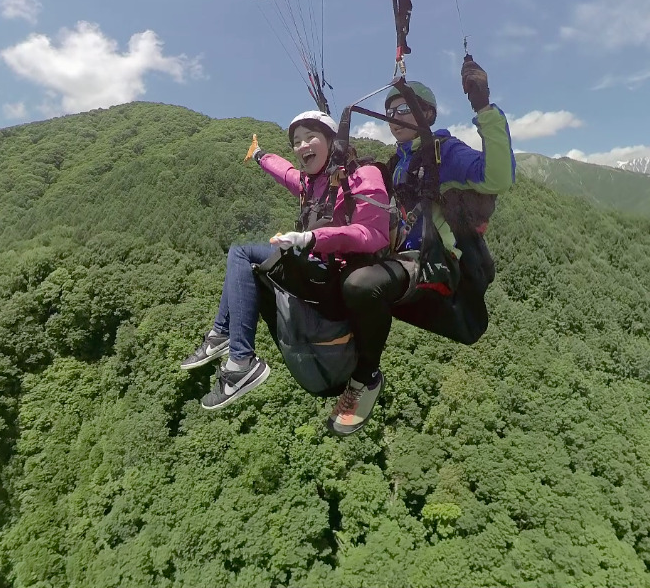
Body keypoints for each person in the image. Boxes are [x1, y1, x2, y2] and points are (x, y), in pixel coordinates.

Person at [327, 55, 516, 436]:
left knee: (362, 286)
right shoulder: (398, 162)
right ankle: (337, 349)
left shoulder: (443, 152)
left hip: (431, 261)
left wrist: (483, 109)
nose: (394, 116)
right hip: (398, 254)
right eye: (389, 110)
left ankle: (366, 380)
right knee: (326, 267)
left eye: (402, 108)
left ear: (425, 114)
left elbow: (498, 177)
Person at [181, 110, 392, 411]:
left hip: (338, 278)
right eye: (297, 142)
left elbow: (374, 233)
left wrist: (313, 238)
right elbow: (286, 173)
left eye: (311, 137)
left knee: (243, 255)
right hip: (315, 266)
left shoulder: (361, 175)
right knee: (241, 257)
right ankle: (224, 337)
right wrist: (259, 155)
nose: (303, 146)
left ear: (332, 141)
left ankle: (238, 357)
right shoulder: (312, 182)